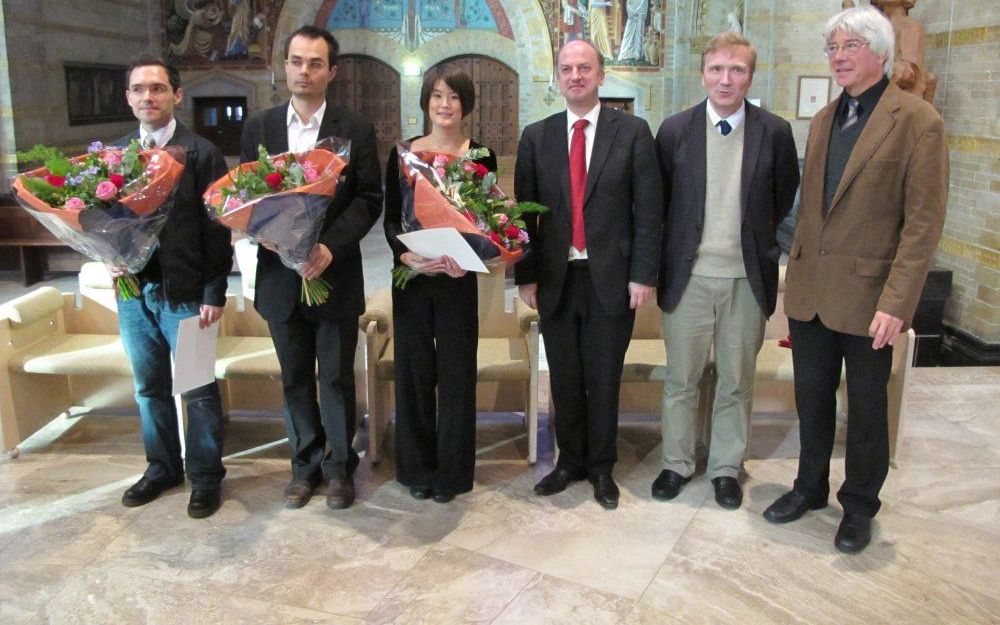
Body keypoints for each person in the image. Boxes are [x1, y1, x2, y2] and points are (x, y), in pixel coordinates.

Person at [763, 6, 947, 553]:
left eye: (850, 46)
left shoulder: (916, 120)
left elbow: (923, 224)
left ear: (880, 54)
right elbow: (814, 208)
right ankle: (809, 488)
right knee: (812, 400)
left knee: (867, 411)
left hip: (872, 302)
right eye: (833, 48)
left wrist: (898, 303)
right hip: (812, 295)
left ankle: (860, 506)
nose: (838, 57)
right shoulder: (824, 119)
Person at [653, 32, 799, 510]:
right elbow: (662, 205)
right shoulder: (674, 130)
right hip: (689, 279)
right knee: (682, 380)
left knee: (737, 380)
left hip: (745, 280)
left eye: (736, 70)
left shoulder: (774, 132)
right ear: (703, 74)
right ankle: (676, 463)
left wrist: (765, 249)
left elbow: (784, 199)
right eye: (716, 69)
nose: (725, 78)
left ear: (750, 77)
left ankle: (724, 468)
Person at [515, 39, 662, 510]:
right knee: (563, 377)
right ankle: (569, 461)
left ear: (600, 75)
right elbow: (523, 217)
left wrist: (643, 274)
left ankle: (602, 468)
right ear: (556, 78)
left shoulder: (633, 132)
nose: (575, 75)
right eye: (566, 68)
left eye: (585, 67)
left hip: (613, 280)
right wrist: (526, 277)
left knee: (603, 378)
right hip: (558, 279)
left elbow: (649, 210)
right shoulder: (536, 137)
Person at [240, 26, 382, 510]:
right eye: (297, 61)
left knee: (337, 377)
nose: (305, 71)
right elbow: (245, 197)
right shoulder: (259, 127)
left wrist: (330, 248)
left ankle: (340, 468)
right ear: (285, 67)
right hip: (279, 275)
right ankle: (304, 467)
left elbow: (368, 199)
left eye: (315, 63)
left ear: (331, 71)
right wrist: (264, 231)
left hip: (333, 274)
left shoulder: (355, 129)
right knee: (295, 375)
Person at [115, 55, 232, 519]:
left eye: (158, 88)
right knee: (149, 388)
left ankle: (205, 477)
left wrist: (214, 290)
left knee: (198, 388)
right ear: (128, 97)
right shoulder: (118, 156)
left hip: (186, 293)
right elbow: (106, 223)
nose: (149, 97)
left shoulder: (201, 153)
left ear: (176, 95)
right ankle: (162, 467)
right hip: (132, 293)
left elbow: (217, 228)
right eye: (139, 89)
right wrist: (109, 258)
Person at [383, 70, 497, 504]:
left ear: (466, 105)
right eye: (436, 96)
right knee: (413, 374)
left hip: (456, 279)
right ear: (425, 102)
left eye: (453, 97)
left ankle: (452, 473)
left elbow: (485, 218)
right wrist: (404, 253)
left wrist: (468, 258)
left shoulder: (481, 155)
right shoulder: (403, 153)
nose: (444, 104)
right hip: (412, 278)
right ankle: (416, 469)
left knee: (456, 375)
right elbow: (392, 218)